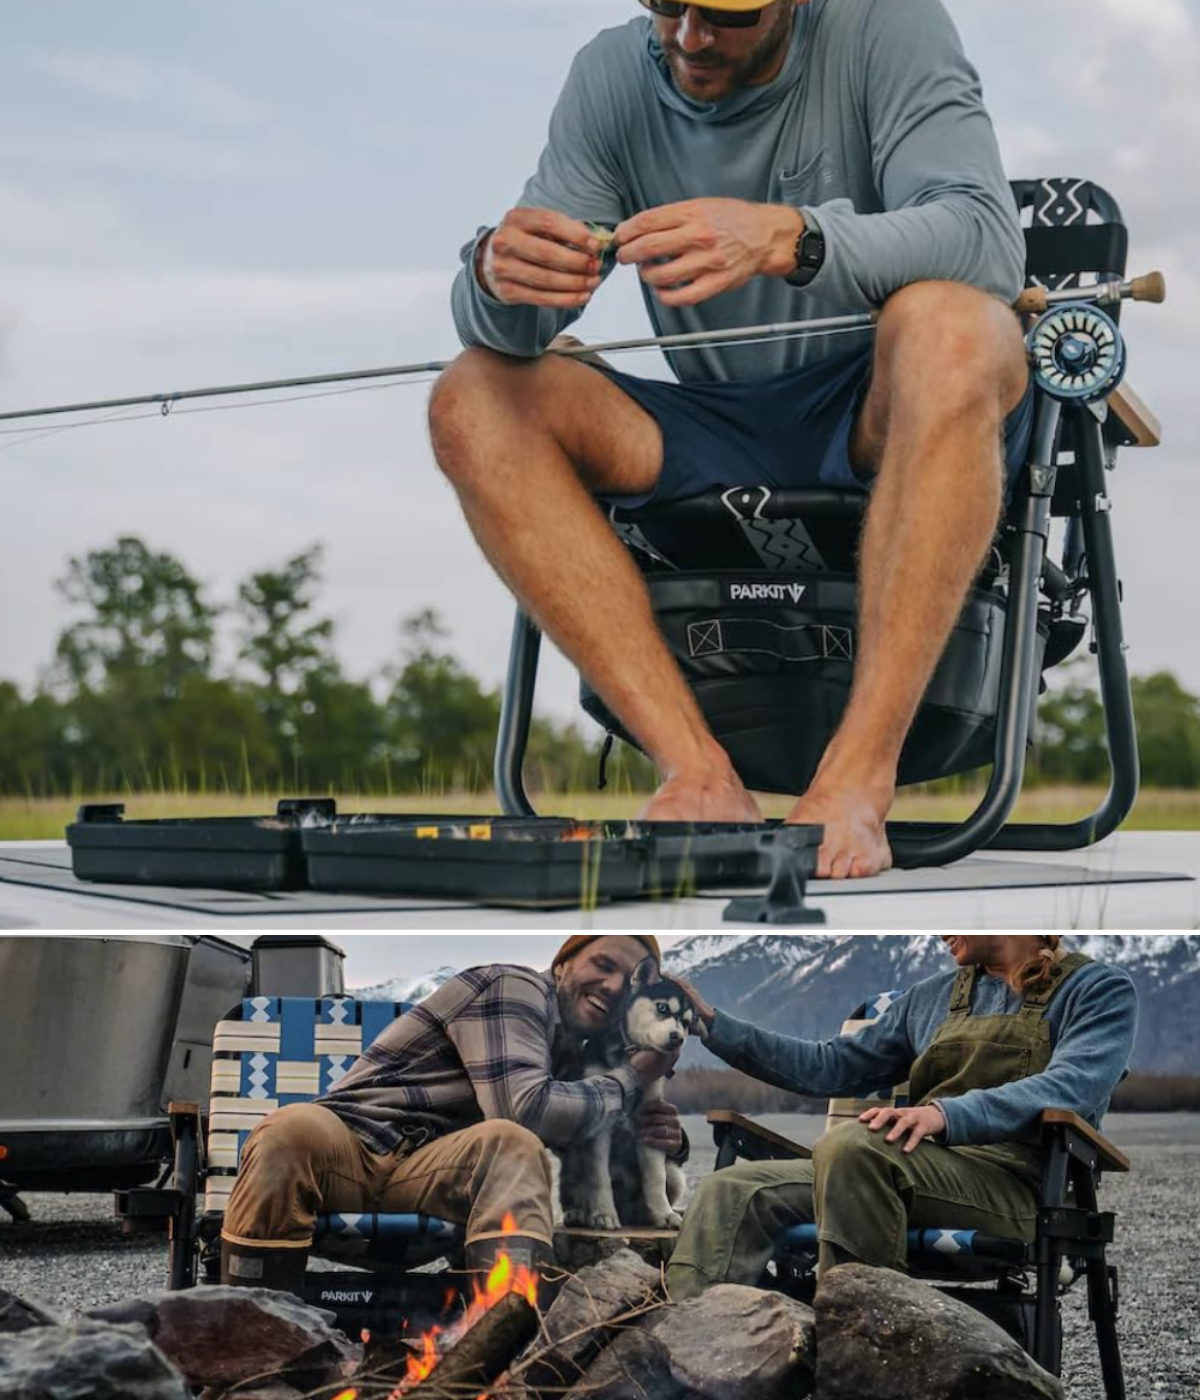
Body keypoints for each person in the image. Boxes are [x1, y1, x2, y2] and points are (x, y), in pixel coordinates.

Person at [429, 0, 1034, 880]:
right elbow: (514, 331)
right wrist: (494, 277)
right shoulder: (610, 71)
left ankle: (857, 778)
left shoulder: (888, 23)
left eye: (725, 15)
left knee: (955, 326)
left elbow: (987, 242)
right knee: (473, 395)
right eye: (668, 5)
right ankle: (698, 774)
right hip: (714, 423)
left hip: (871, 405)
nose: (689, 38)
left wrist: (795, 236)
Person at [664, 933, 1139, 1299]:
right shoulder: (930, 996)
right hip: (901, 1171)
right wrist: (714, 1025)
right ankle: (689, 1358)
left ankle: (855, 1353)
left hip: (1018, 1191)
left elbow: (1070, 1087)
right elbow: (828, 1065)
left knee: (855, 1147)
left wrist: (943, 1114)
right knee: (731, 1190)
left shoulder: (1097, 989)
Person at [220, 934, 684, 1294]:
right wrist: (632, 1079)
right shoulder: (514, 986)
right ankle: (250, 1328)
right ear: (562, 964)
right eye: (603, 965)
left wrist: (664, 1142)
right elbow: (523, 1108)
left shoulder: (574, 1058)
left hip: (435, 1175)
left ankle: (498, 1344)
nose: (613, 986)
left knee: (512, 1148)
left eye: (629, 979)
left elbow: (579, 1144)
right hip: (351, 1147)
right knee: (290, 1130)